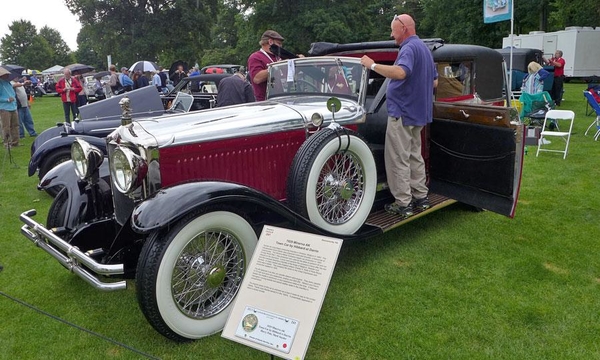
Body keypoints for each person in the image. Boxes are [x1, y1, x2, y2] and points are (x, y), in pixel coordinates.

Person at [360, 14, 437, 218]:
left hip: (403, 112)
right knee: (414, 155)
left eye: (393, 29)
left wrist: (372, 66)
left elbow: (401, 73)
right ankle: (421, 198)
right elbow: (435, 82)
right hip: (418, 113)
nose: (391, 34)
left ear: (404, 28)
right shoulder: (425, 49)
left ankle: (403, 203)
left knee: (398, 158)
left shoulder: (409, 48)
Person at [247, 30, 285, 101]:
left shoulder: (278, 57)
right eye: (278, 43)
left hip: (280, 99)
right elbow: (257, 78)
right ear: (270, 42)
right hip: (264, 101)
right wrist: (276, 67)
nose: (281, 46)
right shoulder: (255, 57)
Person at [0, 67, 20, 147]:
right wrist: (7, 99)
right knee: (6, 126)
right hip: (5, 108)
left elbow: (12, 92)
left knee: (15, 125)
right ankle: (7, 143)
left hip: (13, 107)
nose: (8, 75)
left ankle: (15, 142)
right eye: (6, 74)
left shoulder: (8, 83)